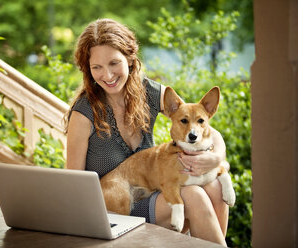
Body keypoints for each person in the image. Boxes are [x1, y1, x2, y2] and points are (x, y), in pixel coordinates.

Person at [64, 18, 229, 246]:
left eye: (114, 63)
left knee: (216, 186)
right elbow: (73, 183)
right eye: (97, 67)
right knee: (193, 195)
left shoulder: (150, 93)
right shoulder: (84, 114)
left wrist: (216, 157)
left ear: (130, 60)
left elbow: (200, 123)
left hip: (151, 192)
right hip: (113, 207)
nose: (107, 75)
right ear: (88, 70)